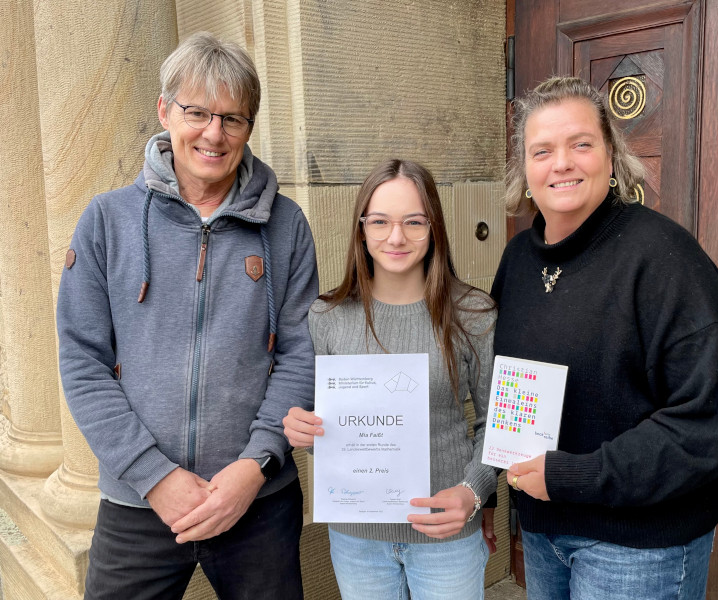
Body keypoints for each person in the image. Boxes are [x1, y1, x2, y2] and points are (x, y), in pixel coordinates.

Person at [57, 32, 317, 599]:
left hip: (257, 502)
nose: (213, 134)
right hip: (136, 503)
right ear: (164, 110)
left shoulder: (287, 225)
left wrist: (254, 467)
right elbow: (82, 362)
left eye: (233, 118)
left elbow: (301, 354)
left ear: (250, 127)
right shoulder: (107, 221)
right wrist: (155, 476)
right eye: (196, 112)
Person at [492, 76, 718, 600]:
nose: (561, 163)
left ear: (612, 158)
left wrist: (576, 476)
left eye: (581, 144)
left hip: (638, 547)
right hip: (544, 534)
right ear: (525, 170)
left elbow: (714, 417)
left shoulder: (662, 256)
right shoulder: (519, 260)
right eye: (541, 150)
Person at [283, 158, 497, 599]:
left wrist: (473, 493)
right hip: (356, 536)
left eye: (414, 222)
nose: (395, 237)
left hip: (445, 533)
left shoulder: (473, 314)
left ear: (434, 227)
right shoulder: (326, 316)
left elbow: (496, 426)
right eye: (379, 221)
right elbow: (317, 418)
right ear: (361, 229)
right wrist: (301, 430)